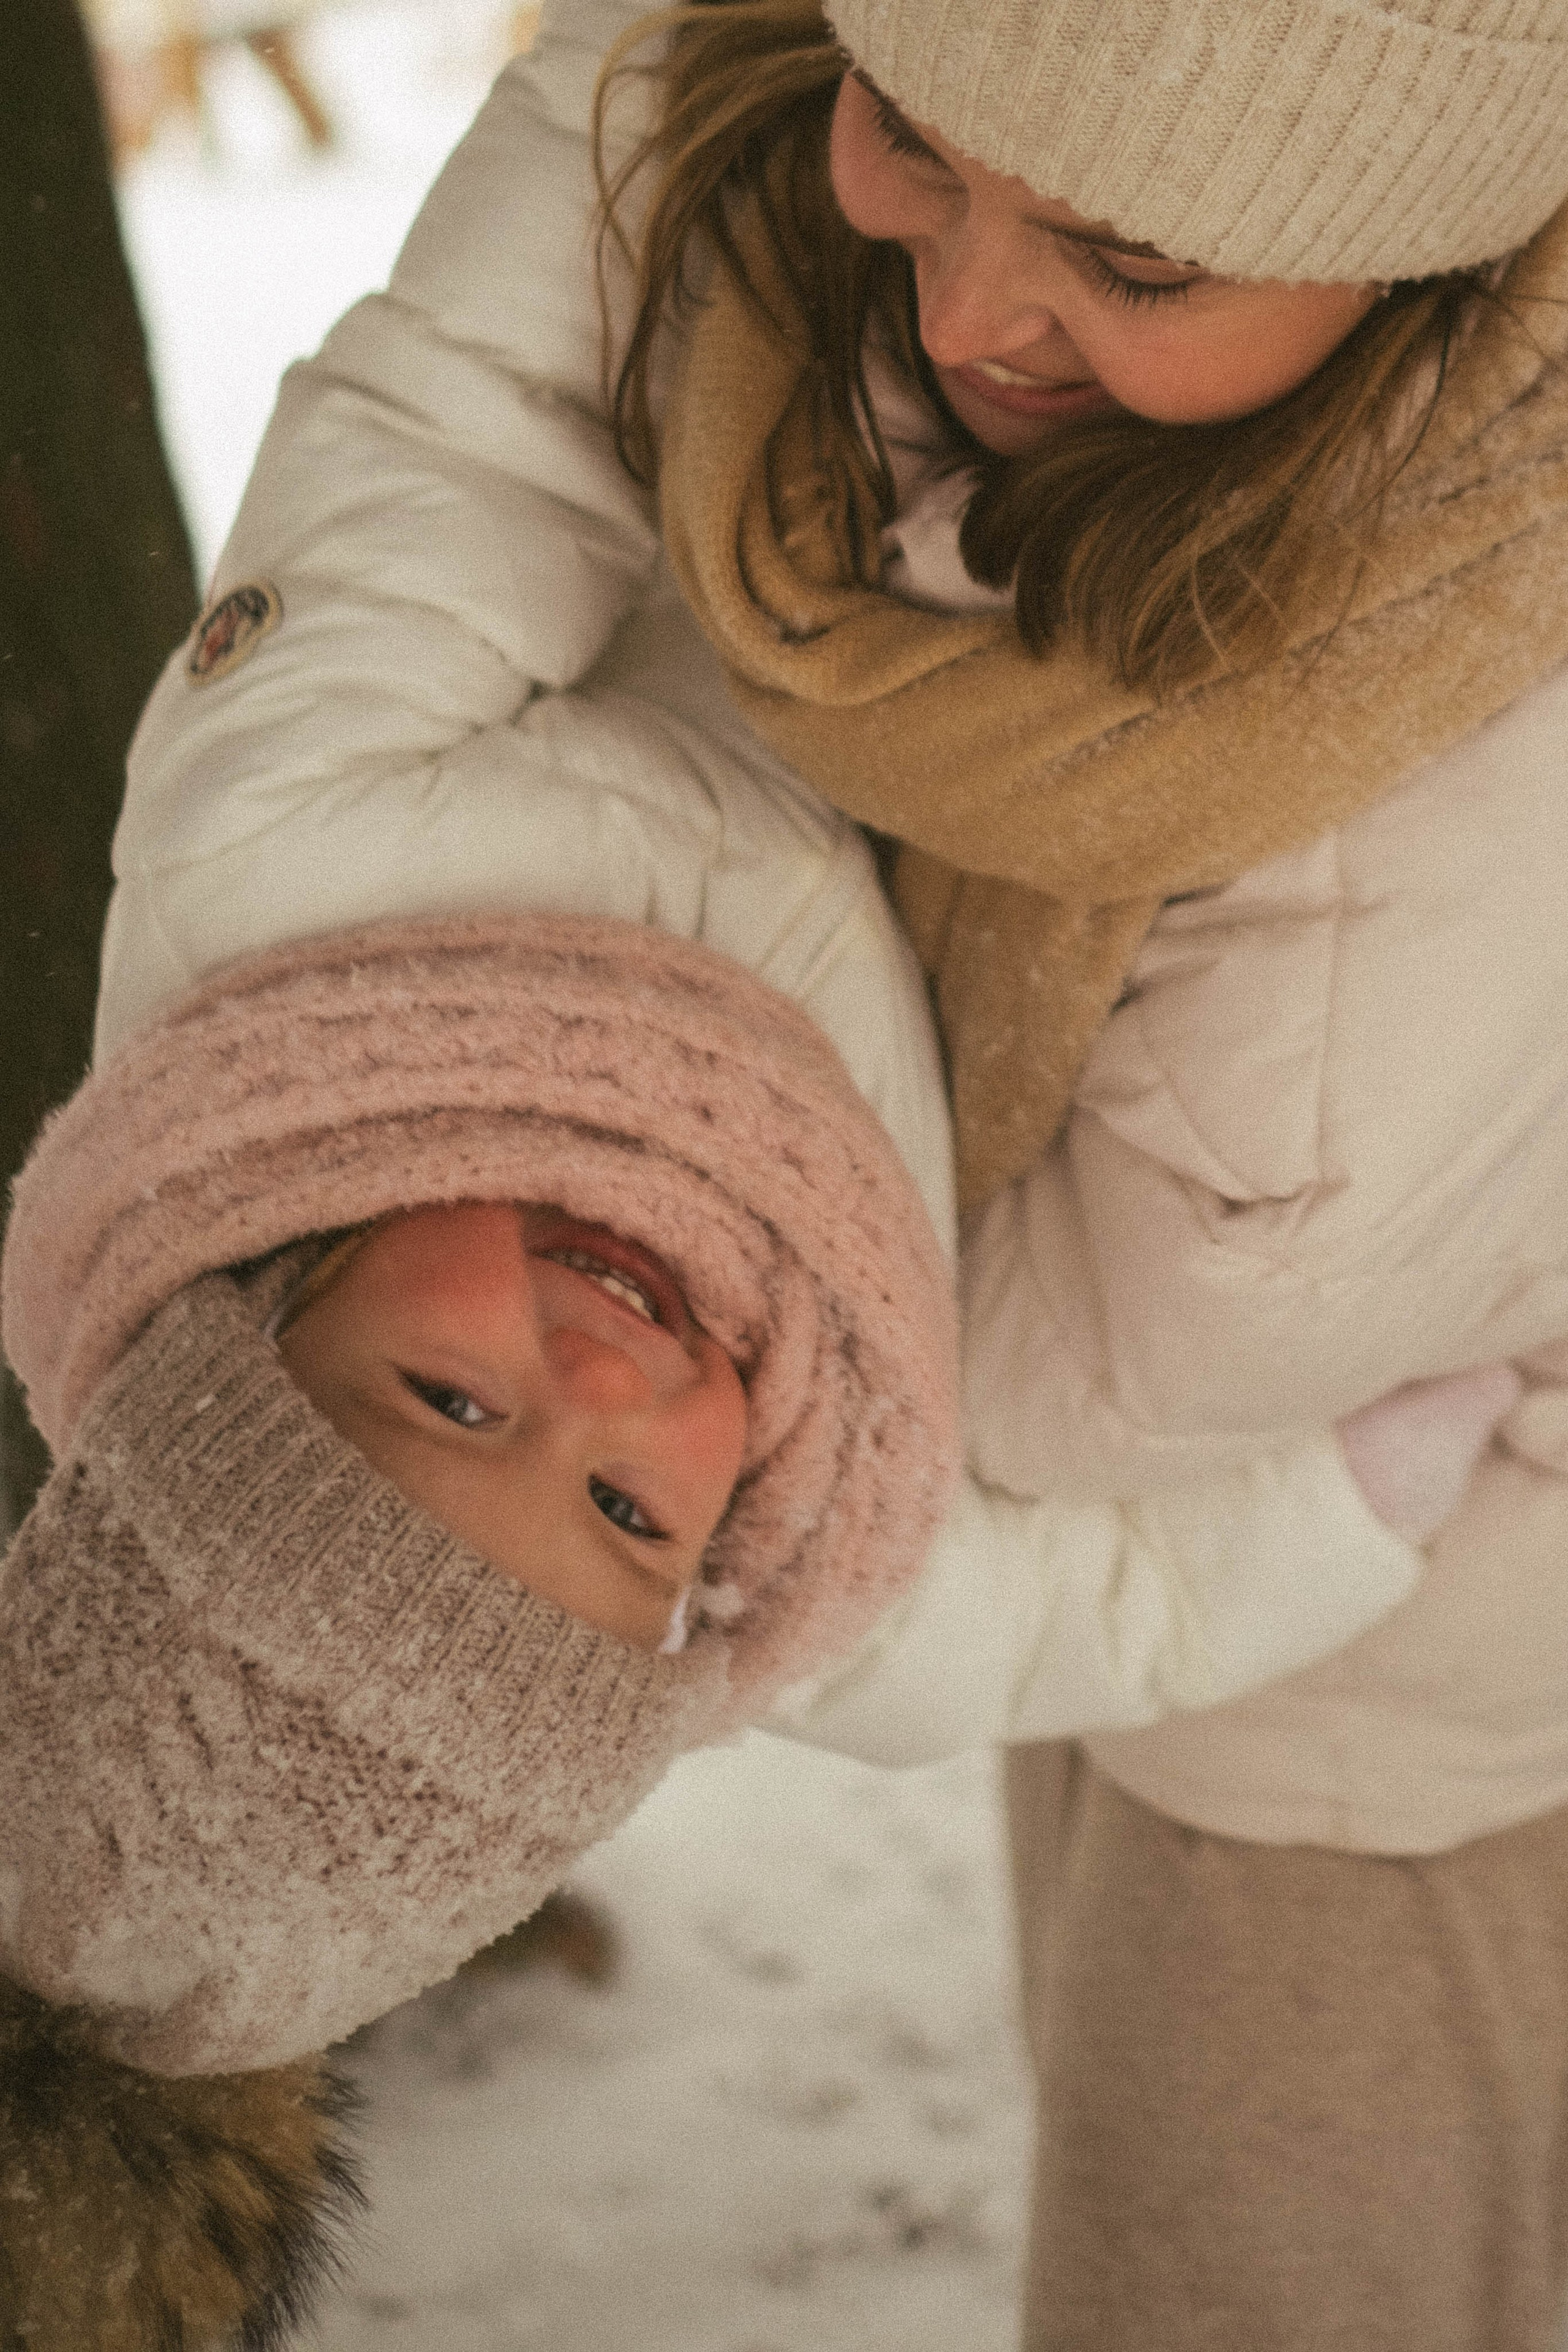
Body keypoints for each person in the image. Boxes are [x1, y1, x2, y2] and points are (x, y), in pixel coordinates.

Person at [81, 0, 1568, 2341]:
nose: (605, 1373)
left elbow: (465, 421)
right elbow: (1096, 1605)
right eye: (626, 1510)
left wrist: (651, 72)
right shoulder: (827, 1516)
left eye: (458, 1400)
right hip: (1386, 1561)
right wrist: (1358, 1500)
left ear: (256, 1314)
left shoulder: (292, 876)